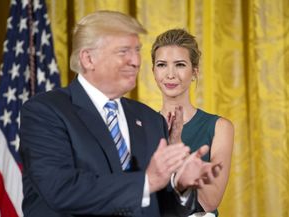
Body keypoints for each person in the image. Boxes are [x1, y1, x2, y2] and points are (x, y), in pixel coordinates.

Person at [20, 11, 221, 217]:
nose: (135, 61)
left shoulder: (151, 120)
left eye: (137, 50)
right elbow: (61, 190)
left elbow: (159, 208)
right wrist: (147, 181)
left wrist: (181, 187)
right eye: (123, 51)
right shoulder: (45, 111)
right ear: (88, 58)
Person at [151, 29, 234, 216]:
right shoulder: (142, 126)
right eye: (162, 65)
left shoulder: (219, 127)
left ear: (194, 71)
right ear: (154, 71)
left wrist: (177, 146)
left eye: (180, 65)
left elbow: (210, 201)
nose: (170, 74)